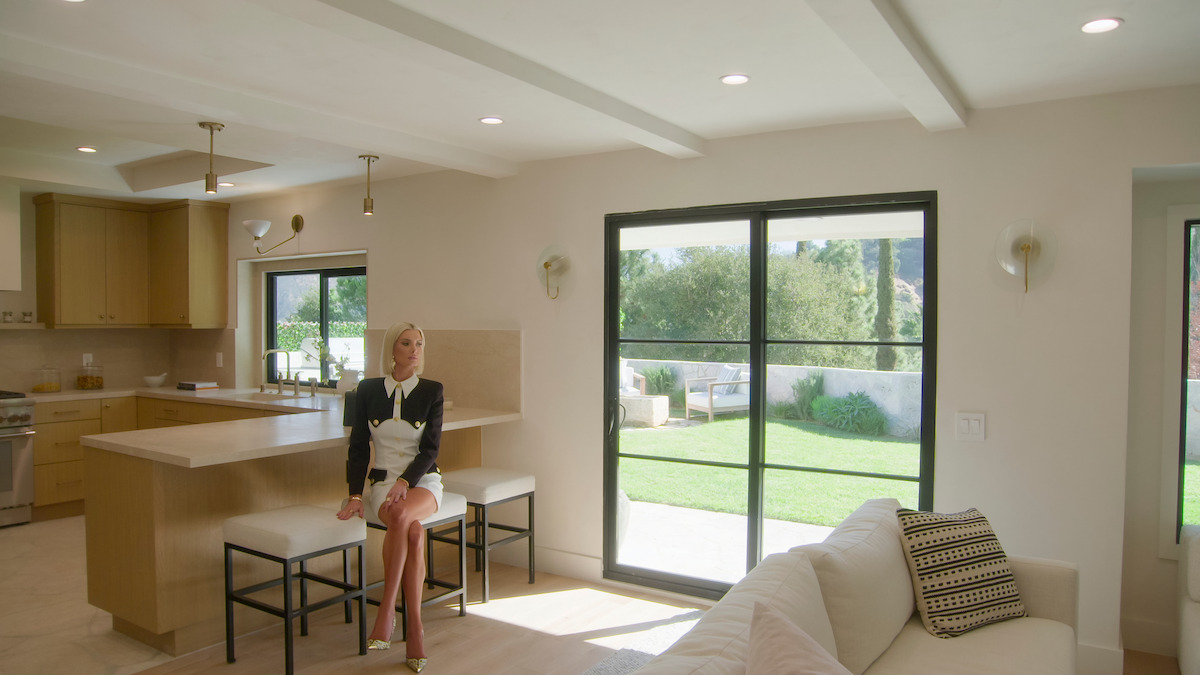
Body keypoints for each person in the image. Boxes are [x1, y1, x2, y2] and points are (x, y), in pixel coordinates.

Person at [337, 322, 443, 673]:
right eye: (406, 343)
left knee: (400, 516)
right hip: (382, 484)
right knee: (412, 531)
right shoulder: (366, 391)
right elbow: (356, 449)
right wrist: (355, 494)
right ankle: (415, 629)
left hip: (424, 483)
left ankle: (385, 610)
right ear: (392, 350)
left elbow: (430, 451)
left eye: (419, 344)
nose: (415, 350)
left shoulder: (433, 391)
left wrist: (405, 481)